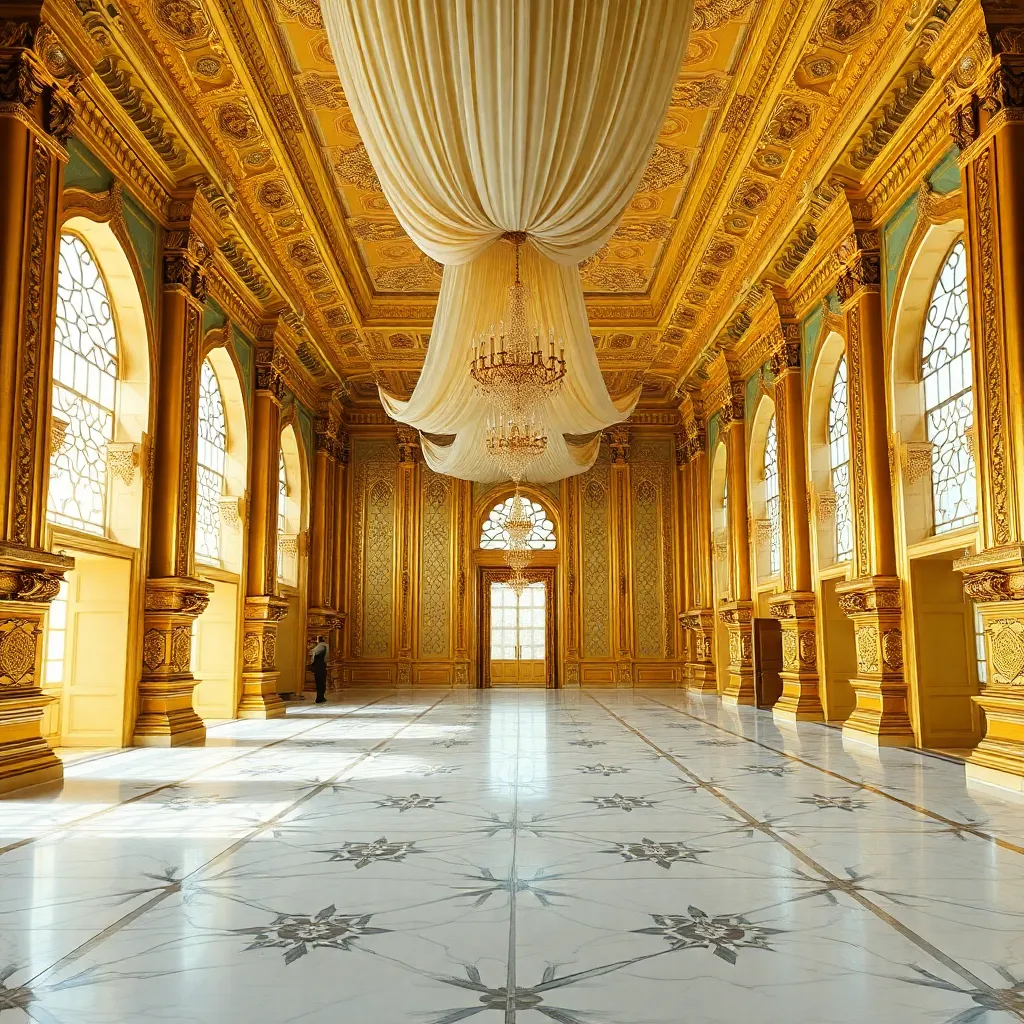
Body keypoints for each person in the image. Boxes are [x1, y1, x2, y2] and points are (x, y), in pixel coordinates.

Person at [310, 637, 329, 704]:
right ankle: (321, 697)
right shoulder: (325, 646)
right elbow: (327, 657)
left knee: (319, 683)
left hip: (318, 667)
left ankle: (319, 697)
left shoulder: (319, 647)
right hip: (322, 666)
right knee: (322, 683)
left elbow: (312, 654)